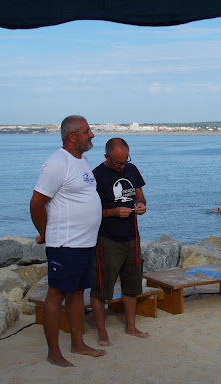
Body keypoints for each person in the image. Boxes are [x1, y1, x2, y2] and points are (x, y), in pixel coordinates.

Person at [29, 115, 106, 367]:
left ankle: (78, 343)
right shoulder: (56, 163)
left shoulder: (82, 161)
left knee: (78, 292)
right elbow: (37, 204)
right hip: (65, 243)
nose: (92, 134)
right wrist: (44, 233)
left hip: (85, 243)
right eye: (87, 131)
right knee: (56, 294)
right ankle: (54, 353)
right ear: (72, 136)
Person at [91, 138, 149, 346]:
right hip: (107, 239)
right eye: (117, 163)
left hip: (132, 236)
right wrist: (113, 212)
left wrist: (141, 205)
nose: (122, 166)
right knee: (101, 287)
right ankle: (102, 332)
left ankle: (131, 327)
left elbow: (140, 196)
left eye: (125, 161)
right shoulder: (96, 176)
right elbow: (89, 212)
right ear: (106, 157)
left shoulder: (132, 169)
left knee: (132, 284)